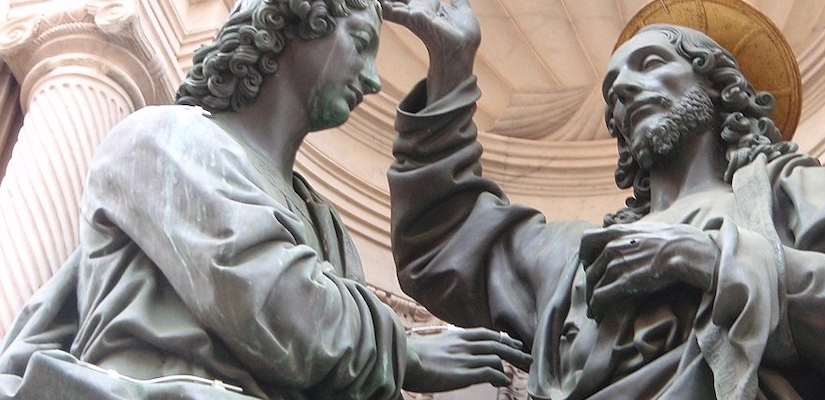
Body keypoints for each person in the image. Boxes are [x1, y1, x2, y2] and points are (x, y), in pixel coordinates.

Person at [383, 0, 825, 399]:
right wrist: (451, 67)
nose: (626, 91)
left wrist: (711, 259)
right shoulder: (577, 258)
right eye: (613, 91)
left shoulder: (796, 194)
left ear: (717, 83)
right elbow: (444, 238)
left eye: (651, 64)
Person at [0, 0, 531, 398]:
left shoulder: (325, 222)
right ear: (296, 22)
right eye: (361, 42)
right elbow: (262, 295)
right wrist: (405, 352)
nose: (373, 81)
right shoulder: (164, 139)